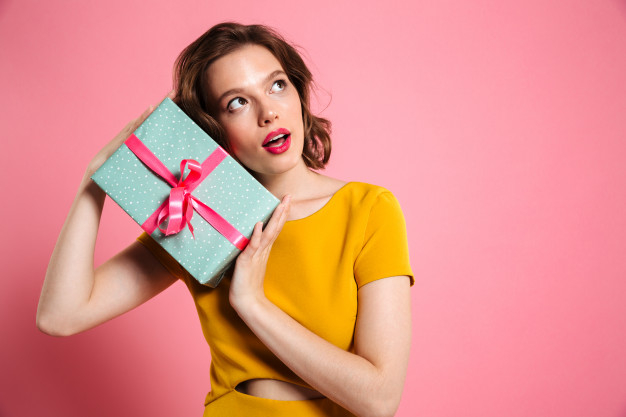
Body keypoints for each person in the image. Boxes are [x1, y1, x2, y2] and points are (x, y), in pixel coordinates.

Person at [37, 22, 414, 417]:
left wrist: (252, 304)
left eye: (277, 85)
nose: (268, 112)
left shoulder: (368, 208)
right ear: (211, 128)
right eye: (237, 102)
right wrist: (94, 182)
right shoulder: (195, 221)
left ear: (299, 93)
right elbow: (60, 316)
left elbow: (379, 399)